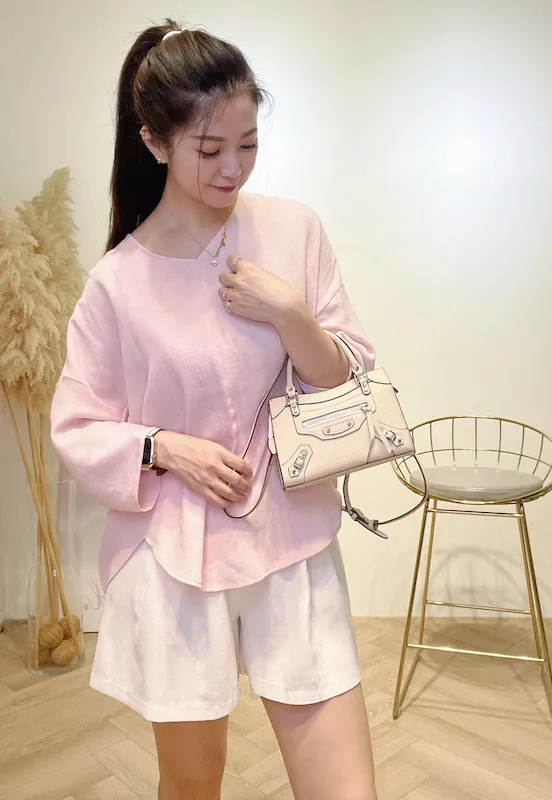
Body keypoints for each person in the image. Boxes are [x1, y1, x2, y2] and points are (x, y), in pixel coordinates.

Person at [50, 18, 378, 800]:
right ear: (155, 142)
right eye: (209, 149)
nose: (233, 168)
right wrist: (165, 447)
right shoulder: (117, 283)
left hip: (293, 538)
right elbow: (78, 424)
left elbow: (350, 376)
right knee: (192, 784)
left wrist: (290, 313)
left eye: (248, 143)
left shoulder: (293, 229)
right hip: (176, 555)